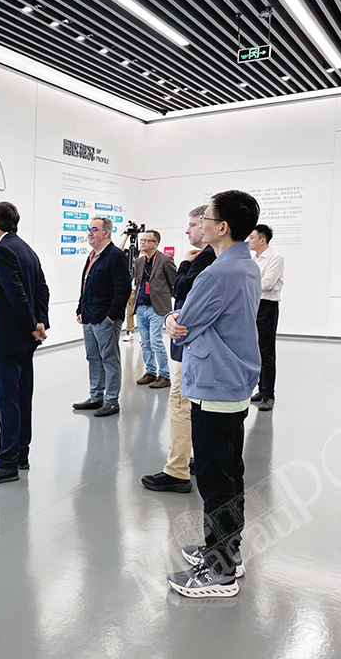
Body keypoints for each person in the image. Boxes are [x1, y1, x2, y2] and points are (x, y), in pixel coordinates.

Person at [164, 190, 261, 598]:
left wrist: (171, 318)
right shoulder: (245, 265)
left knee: (216, 479)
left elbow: (185, 324)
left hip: (214, 386)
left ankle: (220, 571)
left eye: (204, 218)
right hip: (232, 383)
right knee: (230, 473)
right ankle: (227, 552)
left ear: (222, 227)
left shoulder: (216, 274)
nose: (199, 224)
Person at [0, 202, 50, 485]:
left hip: (6, 340)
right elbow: (42, 289)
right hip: (23, 341)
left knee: (7, 400)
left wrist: (31, 325)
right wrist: (39, 323)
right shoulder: (26, 249)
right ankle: (20, 454)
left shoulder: (2, 250)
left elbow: (16, 293)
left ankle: (6, 462)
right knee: (21, 398)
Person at [141, 205, 215, 493]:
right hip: (193, 344)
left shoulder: (205, 258)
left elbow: (180, 289)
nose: (187, 231)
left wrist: (184, 262)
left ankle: (177, 470)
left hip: (190, 344)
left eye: (192, 225)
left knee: (181, 404)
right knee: (187, 404)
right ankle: (188, 459)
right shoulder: (218, 258)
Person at [73, 217, 131, 417]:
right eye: (88, 229)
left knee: (109, 359)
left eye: (94, 229)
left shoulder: (115, 256)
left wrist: (111, 317)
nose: (89, 233)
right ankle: (96, 397)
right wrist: (80, 309)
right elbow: (85, 285)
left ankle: (111, 401)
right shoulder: (92, 256)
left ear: (106, 233)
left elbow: (123, 289)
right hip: (89, 317)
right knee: (93, 358)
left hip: (105, 319)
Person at [131, 230, 176, 389]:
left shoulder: (165, 260)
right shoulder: (138, 262)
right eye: (141, 240)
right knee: (145, 342)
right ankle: (150, 372)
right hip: (141, 307)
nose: (142, 243)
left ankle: (165, 375)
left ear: (155, 244)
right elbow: (137, 282)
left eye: (146, 240)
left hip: (157, 307)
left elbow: (173, 281)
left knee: (156, 341)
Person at [247, 224, 284, 411]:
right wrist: (257, 278)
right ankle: (261, 389)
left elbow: (267, 283)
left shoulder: (275, 258)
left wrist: (256, 279)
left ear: (262, 240)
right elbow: (248, 281)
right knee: (254, 349)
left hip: (267, 306)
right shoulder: (253, 259)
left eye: (252, 237)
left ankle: (269, 394)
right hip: (252, 304)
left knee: (266, 350)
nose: (248, 240)